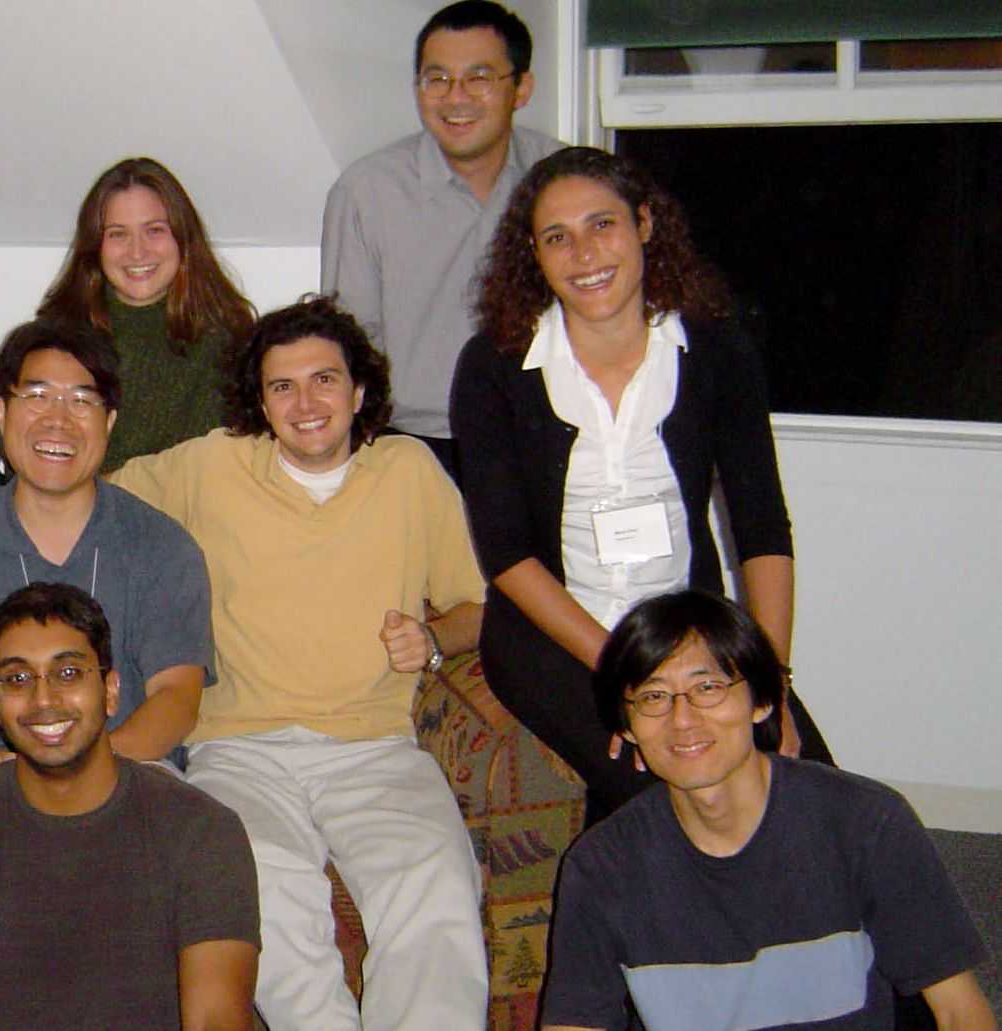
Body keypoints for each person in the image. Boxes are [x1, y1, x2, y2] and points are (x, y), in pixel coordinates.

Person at [112, 296, 488, 1031]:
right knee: (265, 902)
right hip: (239, 749)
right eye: (282, 386)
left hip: (375, 745)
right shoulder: (212, 463)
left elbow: (476, 603)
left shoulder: (408, 469)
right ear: (260, 400)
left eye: (324, 379)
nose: (305, 402)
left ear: (357, 391)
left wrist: (435, 637)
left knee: (436, 893)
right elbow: (87, 497)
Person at [450, 145, 831, 824]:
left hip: (686, 619)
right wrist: (631, 677)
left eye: (603, 225)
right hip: (556, 636)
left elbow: (761, 524)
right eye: (556, 237)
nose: (583, 253)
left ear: (644, 226)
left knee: (805, 785)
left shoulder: (714, 348)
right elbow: (506, 554)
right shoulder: (492, 366)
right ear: (532, 255)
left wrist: (764, 677)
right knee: (665, 788)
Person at [542, 590, 995, 1031]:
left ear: (762, 701)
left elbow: (960, 1013)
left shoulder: (866, 823)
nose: (682, 719)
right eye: (654, 697)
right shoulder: (603, 866)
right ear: (628, 727)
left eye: (708, 687)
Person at [0, 582, 260, 1031]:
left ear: (111, 689)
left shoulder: (203, 832)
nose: (43, 700)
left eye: (68, 673)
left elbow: (217, 1020)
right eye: (18, 679)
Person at [0, 319, 213, 799]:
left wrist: (93, 772)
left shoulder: (162, 545)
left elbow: (177, 696)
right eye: (36, 396)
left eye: (81, 401)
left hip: (129, 770)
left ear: (110, 422)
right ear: (0, 411)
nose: (57, 420)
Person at [321, 1, 562, 479]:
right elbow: (345, 344)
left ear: (521, 89)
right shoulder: (366, 192)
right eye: (438, 79)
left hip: (547, 433)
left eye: (479, 78)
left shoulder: (561, 179)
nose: (456, 98)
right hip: (415, 449)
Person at [37, 156, 256, 471]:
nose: (137, 251)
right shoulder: (52, 339)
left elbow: (206, 476)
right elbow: (32, 458)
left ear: (182, 238)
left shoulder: (229, 345)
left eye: (154, 230)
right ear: (95, 245)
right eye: (117, 234)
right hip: (69, 514)